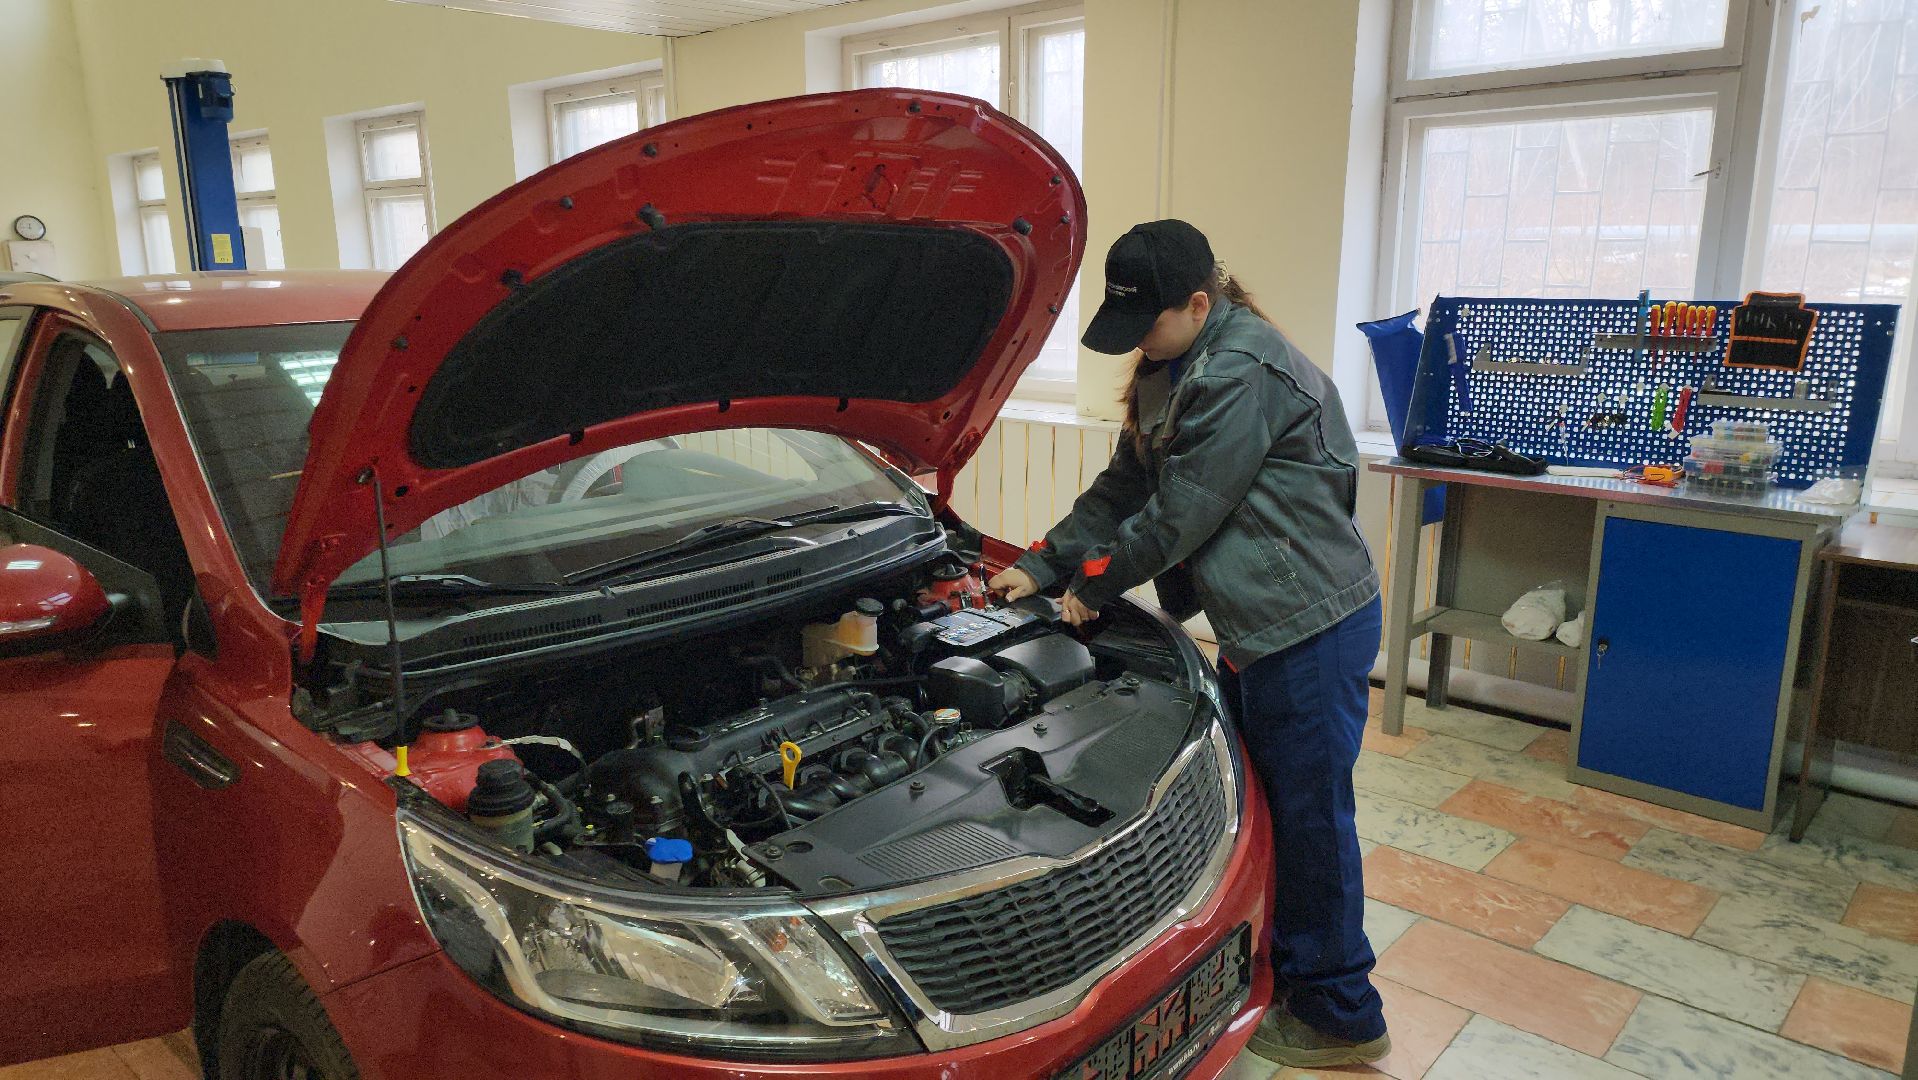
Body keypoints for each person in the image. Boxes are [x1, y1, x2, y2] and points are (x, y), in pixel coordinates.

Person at [989, 220, 1389, 1068]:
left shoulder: (1241, 371)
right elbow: (1123, 487)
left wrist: (1089, 588)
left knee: (1313, 819)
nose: (1137, 344)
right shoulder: (1177, 364)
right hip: (1261, 622)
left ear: (1199, 302)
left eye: (1148, 325)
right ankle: (1279, 965)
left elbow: (1177, 516)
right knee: (1264, 807)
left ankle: (1342, 1014)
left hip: (1310, 625)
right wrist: (1041, 562)